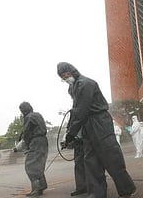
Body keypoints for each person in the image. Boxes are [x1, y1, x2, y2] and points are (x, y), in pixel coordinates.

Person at [57, 62, 136, 198]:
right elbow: (75, 111)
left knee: (111, 157)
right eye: (63, 77)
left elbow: (82, 110)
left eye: (67, 75)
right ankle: (96, 194)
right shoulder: (73, 87)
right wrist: (69, 132)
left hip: (99, 122)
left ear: (73, 71)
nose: (66, 78)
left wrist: (72, 133)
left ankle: (126, 189)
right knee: (91, 161)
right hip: (88, 125)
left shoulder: (85, 84)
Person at [19, 101, 48, 197]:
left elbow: (27, 133)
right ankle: (42, 185)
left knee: (31, 165)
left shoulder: (28, 117)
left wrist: (26, 145)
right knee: (39, 164)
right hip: (44, 140)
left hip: (35, 142)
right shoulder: (38, 115)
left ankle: (36, 189)